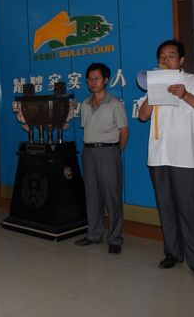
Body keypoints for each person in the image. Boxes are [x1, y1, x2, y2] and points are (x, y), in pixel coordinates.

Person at [138, 39, 194, 284]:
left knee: (191, 210)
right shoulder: (153, 83)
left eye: (171, 55)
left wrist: (185, 95)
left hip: (186, 159)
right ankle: (173, 252)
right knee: (167, 207)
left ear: (181, 60)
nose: (165, 59)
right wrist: (153, 93)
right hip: (158, 157)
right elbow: (142, 116)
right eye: (162, 55)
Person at [74, 63, 128, 254]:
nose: (93, 82)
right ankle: (94, 234)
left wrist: (115, 153)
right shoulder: (85, 104)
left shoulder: (115, 103)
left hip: (108, 152)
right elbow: (87, 128)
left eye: (97, 78)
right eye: (90, 79)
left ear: (106, 80)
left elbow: (124, 132)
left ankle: (115, 238)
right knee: (92, 195)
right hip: (88, 152)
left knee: (112, 197)